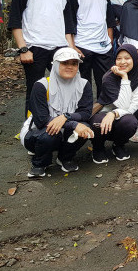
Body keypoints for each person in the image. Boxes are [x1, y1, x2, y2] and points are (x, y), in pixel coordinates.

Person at [9, 0, 76, 114]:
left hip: (60, 48)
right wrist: (23, 49)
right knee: (35, 91)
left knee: (63, 90)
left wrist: (71, 49)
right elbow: (15, 20)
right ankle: (30, 130)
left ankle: (60, 126)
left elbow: (67, 23)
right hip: (34, 47)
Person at [24, 47, 94, 177]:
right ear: (56, 65)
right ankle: (40, 163)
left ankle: (65, 158)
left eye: (74, 63)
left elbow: (85, 112)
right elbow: (41, 120)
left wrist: (65, 117)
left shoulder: (84, 84)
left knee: (86, 128)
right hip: (39, 132)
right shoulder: (41, 85)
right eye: (64, 63)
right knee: (49, 133)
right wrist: (73, 124)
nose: (70, 67)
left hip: (65, 132)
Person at [89, 44, 138, 163]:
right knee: (97, 122)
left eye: (127, 58)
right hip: (103, 113)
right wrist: (125, 78)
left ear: (135, 59)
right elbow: (123, 105)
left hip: (122, 114)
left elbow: (130, 107)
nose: (122, 62)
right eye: (119, 58)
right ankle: (98, 146)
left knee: (130, 122)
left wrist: (124, 78)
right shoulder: (108, 77)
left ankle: (119, 145)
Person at [67, 0, 116, 92]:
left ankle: (103, 112)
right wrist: (72, 45)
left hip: (103, 46)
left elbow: (108, 17)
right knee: (82, 86)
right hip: (82, 45)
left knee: (106, 83)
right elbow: (69, 19)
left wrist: (109, 39)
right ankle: (84, 113)